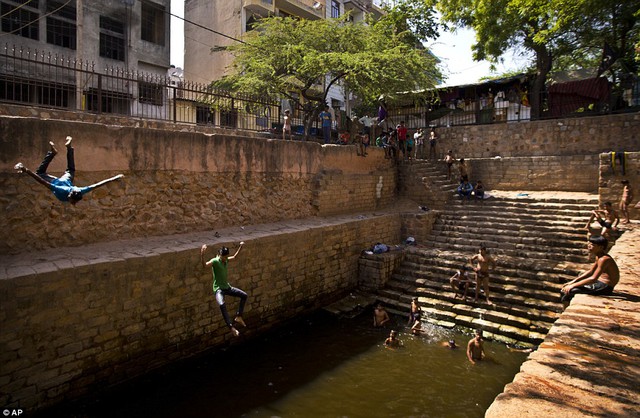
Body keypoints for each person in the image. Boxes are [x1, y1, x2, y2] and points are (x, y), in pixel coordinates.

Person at [14, 136, 124, 205]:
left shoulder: (80, 191)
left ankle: (67, 148)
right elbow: (42, 181)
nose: (74, 204)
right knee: (40, 174)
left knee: (70, 169)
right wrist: (26, 170)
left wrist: (115, 178)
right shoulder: (61, 191)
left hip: (67, 179)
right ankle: (55, 152)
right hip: (57, 183)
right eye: (73, 202)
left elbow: (97, 185)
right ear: (69, 196)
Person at [201, 242, 248, 337]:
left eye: (226, 257)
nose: (226, 259)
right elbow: (205, 265)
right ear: (220, 255)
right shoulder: (215, 261)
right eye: (224, 257)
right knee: (222, 305)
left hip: (227, 287)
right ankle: (231, 328)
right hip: (218, 290)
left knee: (244, 295)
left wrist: (241, 247)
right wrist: (202, 255)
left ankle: (239, 316)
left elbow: (234, 257)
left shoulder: (225, 260)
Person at [560, 236, 620, 306]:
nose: (589, 246)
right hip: (599, 282)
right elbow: (591, 272)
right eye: (589, 244)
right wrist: (573, 281)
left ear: (601, 247)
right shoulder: (599, 256)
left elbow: (593, 278)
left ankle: (566, 308)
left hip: (605, 286)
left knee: (569, 291)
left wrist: (573, 285)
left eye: (592, 245)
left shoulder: (604, 259)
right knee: (565, 288)